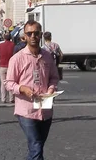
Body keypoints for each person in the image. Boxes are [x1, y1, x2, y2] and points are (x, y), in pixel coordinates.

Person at [5, 20, 59, 160]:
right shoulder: (17, 59)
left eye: (36, 33)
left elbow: (54, 77)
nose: (33, 36)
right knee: (36, 146)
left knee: (37, 147)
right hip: (26, 110)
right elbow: (9, 83)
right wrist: (22, 88)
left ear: (41, 34)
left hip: (45, 109)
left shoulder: (47, 56)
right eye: (29, 33)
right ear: (25, 36)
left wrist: (52, 88)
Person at [0, 32, 15, 103]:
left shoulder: (0, 45)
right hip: (11, 66)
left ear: (4, 38)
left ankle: (3, 98)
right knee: (11, 81)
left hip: (2, 66)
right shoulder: (13, 45)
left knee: (3, 83)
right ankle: (11, 98)